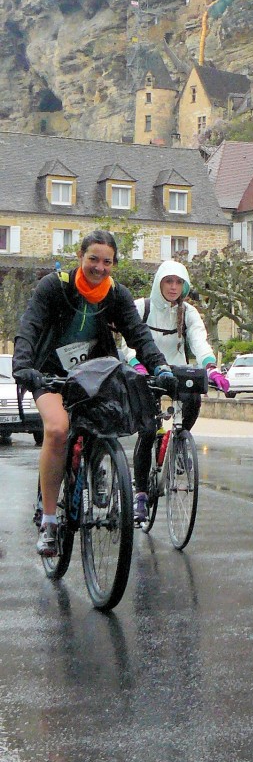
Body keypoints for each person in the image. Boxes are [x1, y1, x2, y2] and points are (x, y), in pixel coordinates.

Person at [13, 231, 178, 557]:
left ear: (113, 264)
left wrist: (160, 367)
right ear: (80, 257)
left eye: (107, 262)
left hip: (96, 374)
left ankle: (96, 461)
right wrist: (23, 365)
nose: (99, 267)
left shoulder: (116, 295)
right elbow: (29, 327)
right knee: (59, 429)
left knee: (108, 419)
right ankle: (48, 521)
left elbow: (139, 335)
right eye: (93, 259)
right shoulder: (55, 287)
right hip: (50, 374)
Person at [122, 259, 229, 524]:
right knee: (147, 431)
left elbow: (198, 340)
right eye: (168, 281)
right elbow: (126, 343)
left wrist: (211, 367)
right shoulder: (141, 307)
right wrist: (136, 364)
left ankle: (178, 442)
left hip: (177, 370)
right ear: (158, 282)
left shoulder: (189, 312)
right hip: (146, 371)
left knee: (193, 398)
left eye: (179, 282)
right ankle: (141, 496)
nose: (173, 287)